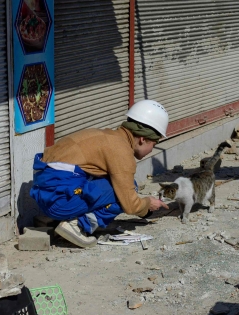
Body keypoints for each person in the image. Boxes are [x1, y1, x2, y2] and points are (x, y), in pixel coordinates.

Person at [29, 100, 171, 248]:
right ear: (143, 139)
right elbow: (130, 205)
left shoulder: (106, 136)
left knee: (107, 182)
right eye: (153, 145)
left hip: (45, 196)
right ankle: (77, 225)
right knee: (127, 190)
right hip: (58, 202)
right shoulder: (121, 151)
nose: (152, 150)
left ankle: (55, 219)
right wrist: (147, 204)